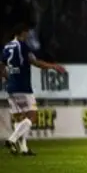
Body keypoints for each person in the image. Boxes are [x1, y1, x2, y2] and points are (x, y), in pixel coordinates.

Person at [1, 24, 66, 155]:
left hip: (11, 88)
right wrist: (52, 66)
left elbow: (1, 66)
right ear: (21, 33)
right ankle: (12, 139)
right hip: (24, 87)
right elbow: (36, 62)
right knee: (32, 116)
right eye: (26, 33)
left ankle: (23, 149)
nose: (28, 35)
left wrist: (8, 78)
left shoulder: (6, 47)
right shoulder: (23, 46)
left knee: (19, 118)